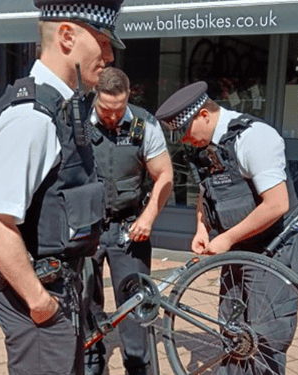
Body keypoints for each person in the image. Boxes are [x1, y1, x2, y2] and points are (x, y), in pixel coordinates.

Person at [0, 1, 124, 374]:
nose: (108, 55)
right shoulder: (32, 118)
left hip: (61, 285)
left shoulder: (62, 107)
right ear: (67, 36)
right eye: (102, 41)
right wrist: (40, 301)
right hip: (42, 297)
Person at [155, 81, 298, 375]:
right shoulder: (208, 146)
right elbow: (206, 191)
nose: (185, 139)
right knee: (233, 330)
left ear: (204, 116)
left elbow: (277, 204)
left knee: (266, 336)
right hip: (235, 250)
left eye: (186, 131)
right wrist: (202, 228)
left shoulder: (254, 138)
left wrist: (228, 238)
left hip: (271, 250)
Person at [83, 67, 173, 375]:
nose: (112, 117)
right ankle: (91, 359)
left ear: (129, 96)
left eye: (118, 109)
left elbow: (165, 176)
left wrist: (148, 217)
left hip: (128, 228)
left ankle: (137, 364)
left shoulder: (144, 124)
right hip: (86, 228)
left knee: (135, 301)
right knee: (85, 300)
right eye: (106, 110)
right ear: (95, 97)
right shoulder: (78, 120)